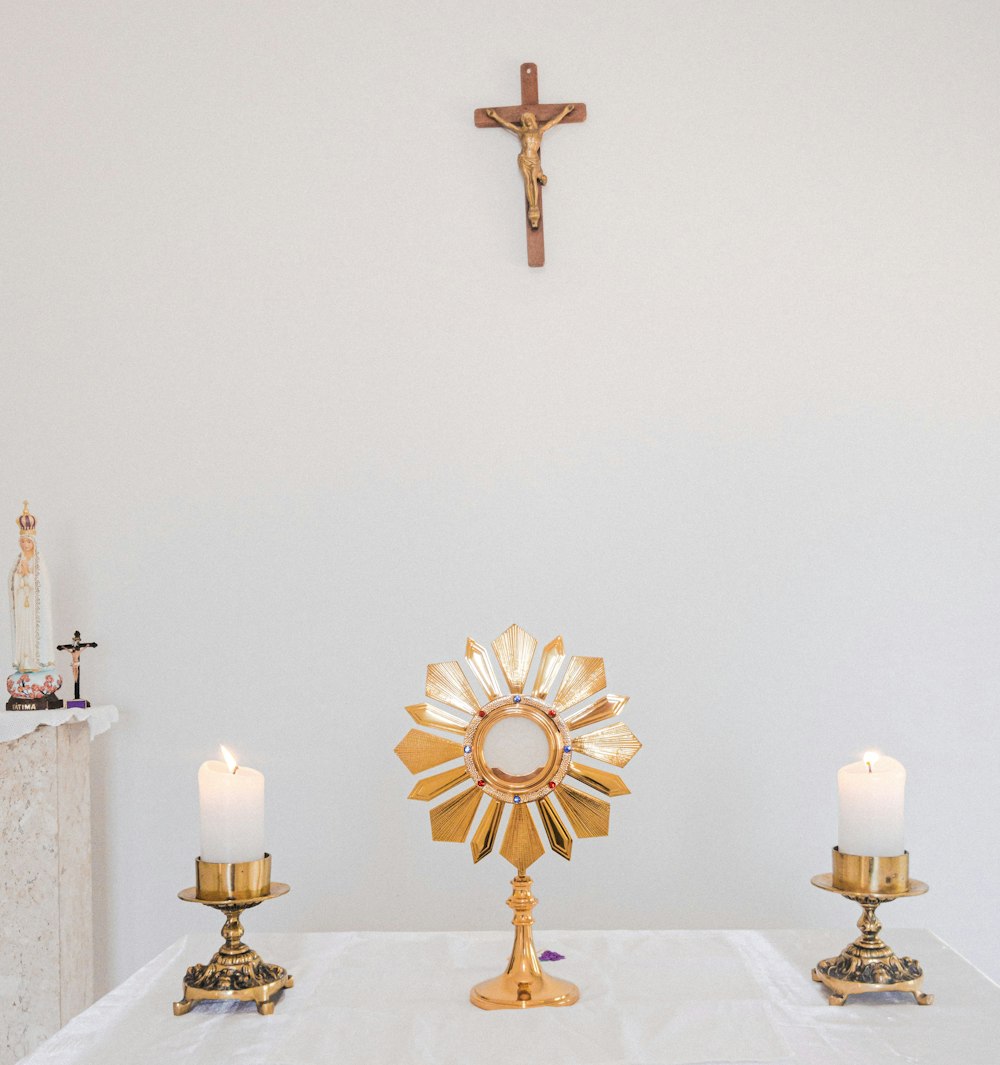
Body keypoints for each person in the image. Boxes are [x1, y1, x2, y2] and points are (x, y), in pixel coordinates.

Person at [485, 106, 575, 229]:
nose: (527, 121)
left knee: (533, 179)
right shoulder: (522, 132)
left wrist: (565, 112)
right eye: (525, 119)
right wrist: (494, 116)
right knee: (528, 181)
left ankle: (534, 206)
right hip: (524, 158)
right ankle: (532, 206)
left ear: (533, 119)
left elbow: (553, 122)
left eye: (529, 118)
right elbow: (508, 125)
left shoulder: (539, 131)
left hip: (534, 159)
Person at [8, 502, 56, 674]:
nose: (25, 545)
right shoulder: (17, 561)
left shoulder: (38, 563)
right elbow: (12, 584)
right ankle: (24, 660)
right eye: (22, 541)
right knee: (23, 633)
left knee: (33, 633)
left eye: (28, 541)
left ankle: (37, 661)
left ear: (33, 542)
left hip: (33, 608)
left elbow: (42, 586)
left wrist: (28, 575)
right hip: (22, 606)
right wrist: (19, 578)